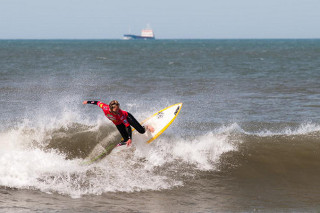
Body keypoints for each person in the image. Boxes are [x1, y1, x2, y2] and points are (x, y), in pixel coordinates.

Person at [83, 100, 154, 146]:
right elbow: (97, 102)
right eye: (116, 110)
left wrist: (130, 138)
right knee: (125, 139)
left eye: (118, 109)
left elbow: (128, 126)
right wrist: (88, 102)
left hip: (127, 117)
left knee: (141, 131)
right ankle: (125, 140)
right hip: (118, 123)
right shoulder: (105, 108)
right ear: (110, 108)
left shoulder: (120, 114)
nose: (117, 111)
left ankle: (146, 126)